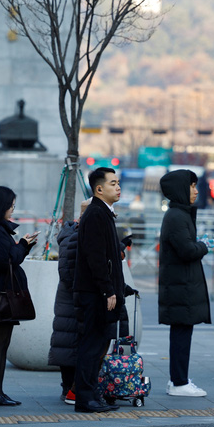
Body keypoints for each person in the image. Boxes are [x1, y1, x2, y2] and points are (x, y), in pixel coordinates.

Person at [73, 167, 124, 413]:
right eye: (113, 183)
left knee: (98, 344)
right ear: (99, 188)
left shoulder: (103, 213)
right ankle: (85, 397)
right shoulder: (96, 213)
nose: (118, 187)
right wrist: (108, 290)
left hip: (100, 291)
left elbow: (107, 255)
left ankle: (91, 394)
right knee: (91, 345)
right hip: (95, 293)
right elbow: (95, 257)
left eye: (118, 182)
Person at [0, 186, 37, 407]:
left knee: (2, 344)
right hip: (0, 295)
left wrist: (23, 246)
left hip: (0, 293)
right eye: (11, 205)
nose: (12, 210)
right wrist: (23, 245)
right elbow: (5, 261)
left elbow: (10, 257)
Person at [158, 169, 210, 397]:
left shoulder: (179, 214)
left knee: (182, 333)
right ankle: (179, 383)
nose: (196, 190)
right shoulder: (177, 217)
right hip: (180, 286)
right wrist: (204, 246)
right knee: (181, 334)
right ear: (181, 188)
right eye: (191, 186)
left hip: (181, 284)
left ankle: (178, 380)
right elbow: (187, 250)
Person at [48, 198, 90, 405]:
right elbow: (68, 274)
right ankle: (69, 388)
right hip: (72, 301)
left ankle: (70, 388)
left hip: (72, 300)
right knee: (69, 344)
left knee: (70, 343)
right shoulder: (75, 237)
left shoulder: (74, 234)